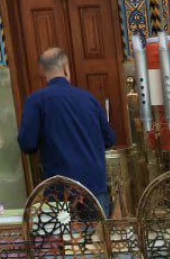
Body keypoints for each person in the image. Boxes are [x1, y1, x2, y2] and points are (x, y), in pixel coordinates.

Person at [17, 46, 118, 215]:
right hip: (95, 187)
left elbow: (27, 144)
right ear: (66, 68)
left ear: (42, 71)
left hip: (60, 191)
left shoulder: (36, 101)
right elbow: (110, 139)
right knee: (98, 231)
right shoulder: (89, 99)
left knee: (65, 232)